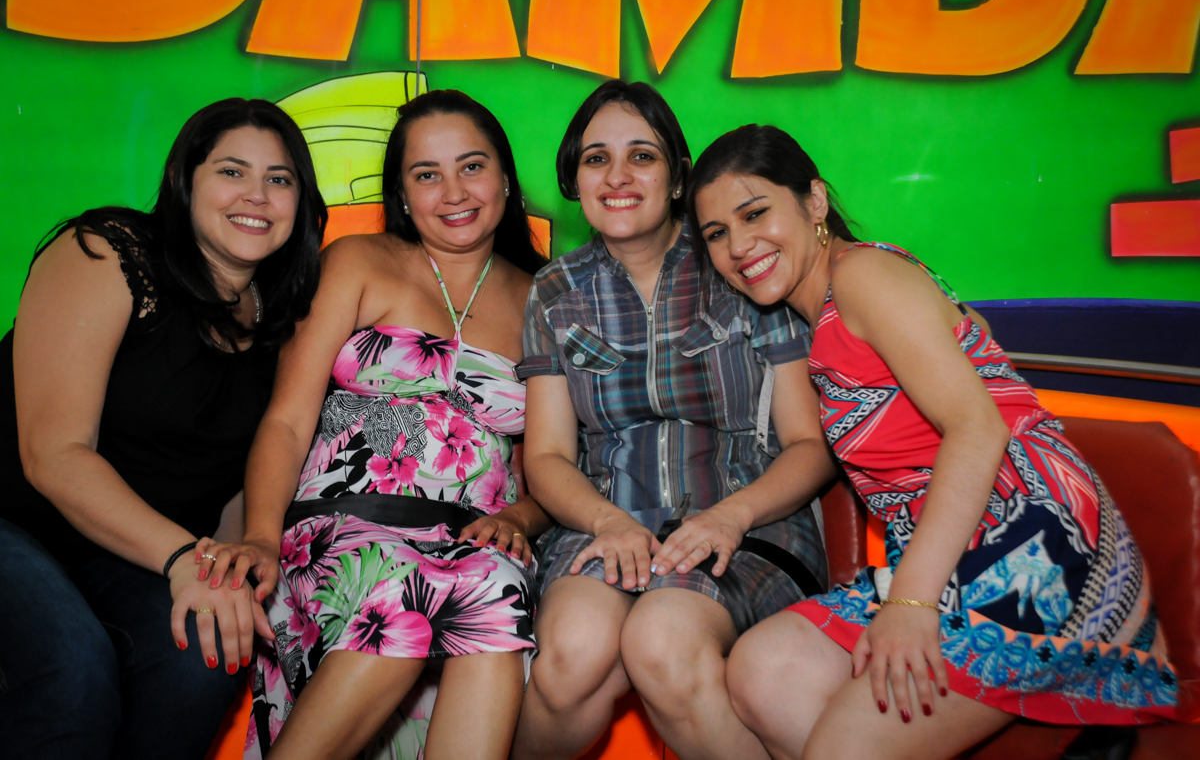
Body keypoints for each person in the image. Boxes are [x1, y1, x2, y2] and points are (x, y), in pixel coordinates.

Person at [690, 124, 1179, 760]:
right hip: (949, 544)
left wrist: (913, 603)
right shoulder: (836, 304)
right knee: (763, 671)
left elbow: (979, 428)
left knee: (844, 748)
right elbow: (972, 337)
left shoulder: (863, 273)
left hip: (1029, 540)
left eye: (755, 213)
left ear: (813, 202)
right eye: (716, 234)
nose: (739, 246)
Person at [197, 89, 549, 760]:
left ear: (506, 178)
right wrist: (263, 537)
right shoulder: (358, 261)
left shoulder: (546, 299)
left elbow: (555, 461)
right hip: (341, 530)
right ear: (403, 193)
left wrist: (523, 519)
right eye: (427, 174)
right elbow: (287, 419)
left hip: (469, 545)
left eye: (472, 167)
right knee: (414, 586)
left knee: (495, 584)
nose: (453, 191)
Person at [512, 81, 834, 760]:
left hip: (747, 519)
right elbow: (544, 456)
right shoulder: (555, 290)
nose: (619, 176)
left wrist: (731, 516)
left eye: (642, 156)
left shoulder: (740, 257)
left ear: (679, 175)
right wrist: (606, 520)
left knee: (661, 640)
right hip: (605, 518)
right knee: (572, 652)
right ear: (574, 177)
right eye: (597, 159)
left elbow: (810, 444)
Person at [0, 97, 326, 760]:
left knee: (204, 655)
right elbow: (52, 452)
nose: (257, 196)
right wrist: (186, 562)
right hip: (13, 519)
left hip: (125, 555)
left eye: (281, 179)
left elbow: (234, 487)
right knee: (72, 666)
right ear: (187, 180)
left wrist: (227, 572)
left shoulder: (284, 323)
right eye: (232, 171)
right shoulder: (109, 252)